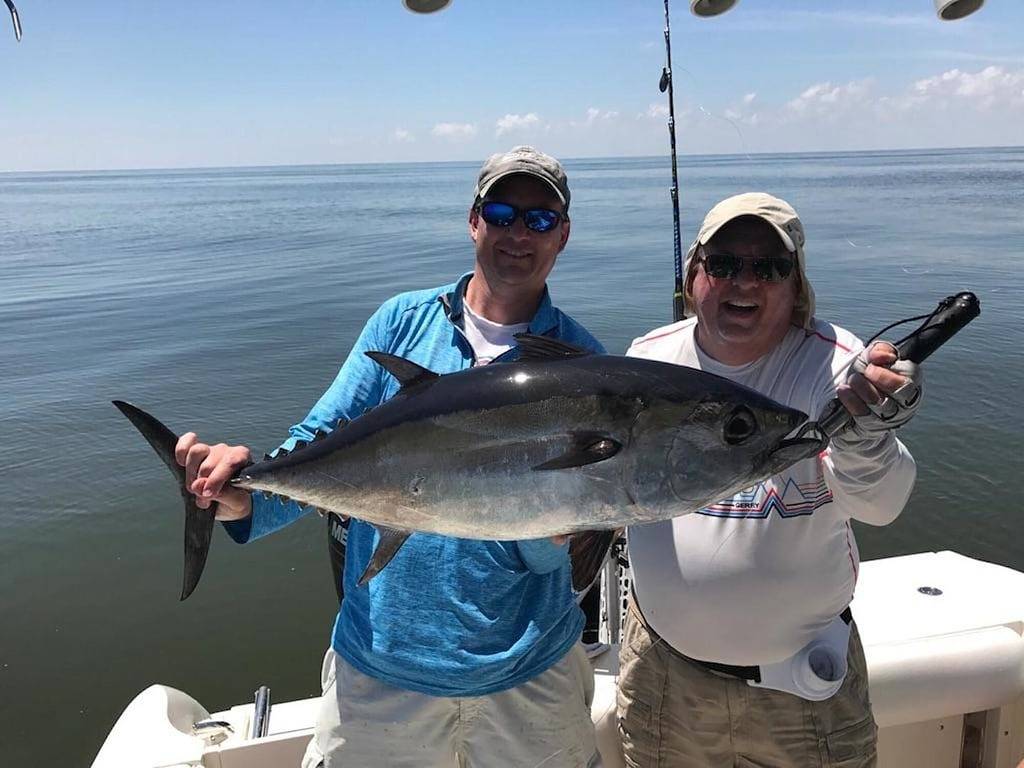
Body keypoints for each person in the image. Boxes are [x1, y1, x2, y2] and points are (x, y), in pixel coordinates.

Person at [175, 146, 605, 768]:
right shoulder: (401, 323)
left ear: (562, 235)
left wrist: (562, 525)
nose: (518, 233)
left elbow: (547, 560)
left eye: (539, 220)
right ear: (473, 220)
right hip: (381, 673)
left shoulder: (583, 366)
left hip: (528, 677)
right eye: (503, 212)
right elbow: (322, 439)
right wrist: (243, 497)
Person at [617, 192, 923, 768]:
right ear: (693, 277)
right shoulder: (648, 360)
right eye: (725, 263)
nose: (744, 282)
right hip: (665, 677)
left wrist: (865, 433)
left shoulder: (836, 366)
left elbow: (882, 504)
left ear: (797, 287)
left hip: (802, 696)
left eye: (769, 267)